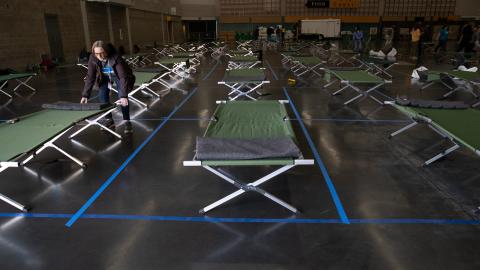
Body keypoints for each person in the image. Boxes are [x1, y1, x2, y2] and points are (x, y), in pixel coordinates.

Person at [81, 40, 135, 134]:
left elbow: (123, 77)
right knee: (102, 96)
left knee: (122, 99)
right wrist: (85, 95)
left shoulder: (116, 57)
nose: (99, 56)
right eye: (97, 53)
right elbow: (90, 76)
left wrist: (124, 96)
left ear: (106, 51)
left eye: (102, 53)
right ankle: (109, 120)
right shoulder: (93, 58)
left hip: (118, 76)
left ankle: (127, 121)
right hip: (104, 77)